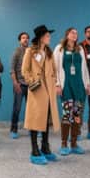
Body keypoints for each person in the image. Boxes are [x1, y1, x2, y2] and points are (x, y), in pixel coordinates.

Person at [22, 24, 61, 165]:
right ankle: (34, 149)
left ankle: (45, 146)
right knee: (35, 119)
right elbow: (24, 71)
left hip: (49, 90)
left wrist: (55, 83)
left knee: (46, 119)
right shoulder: (30, 51)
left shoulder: (49, 52)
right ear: (41, 38)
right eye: (47, 36)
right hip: (37, 89)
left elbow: (54, 71)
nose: (49, 38)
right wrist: (33, 82)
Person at [54, 28, 90, 155]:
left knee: (76, 116)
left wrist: (87, 84)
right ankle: (64, 143)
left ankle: (74, 143)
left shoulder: (80, 49)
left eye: (76, 33)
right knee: (66, 115)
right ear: (67, 34)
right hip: (66, 86)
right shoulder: (59, 48)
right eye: (72, 32)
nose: (75, 34)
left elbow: (84, 68)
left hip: (79, 86)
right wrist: (57, 84)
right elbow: (55, 68)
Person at [9, 31, 29, 138]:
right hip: (19, 85)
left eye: (26, 38)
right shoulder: (16, 52)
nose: (25, 39)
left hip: (30, 85)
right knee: (17, 108)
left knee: (31, 109)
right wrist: (15, 83)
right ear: (19, 40)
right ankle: (13, 129)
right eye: (23, 38)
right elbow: (12, 70)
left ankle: (32, 129)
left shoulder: (31, 52)